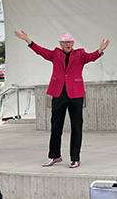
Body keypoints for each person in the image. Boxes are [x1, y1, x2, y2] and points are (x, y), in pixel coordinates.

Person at [14, 30, 110, 168]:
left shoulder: (80, 54)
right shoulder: (55, 54)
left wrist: (100, 51)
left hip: (76, 94)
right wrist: (28, 40)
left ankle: (75, 158)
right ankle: (54, 156)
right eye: (65, 42)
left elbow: (91, 57)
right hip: (59, 93)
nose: (67, 44)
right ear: (61, 44)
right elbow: (41, 51)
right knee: (56, 126)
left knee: (76, 127)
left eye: (69, 42)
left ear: (73, 43)